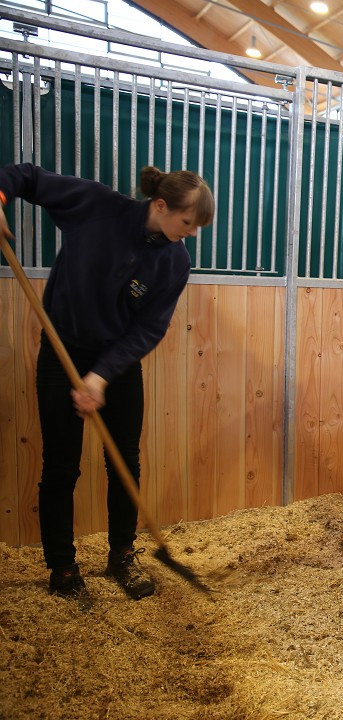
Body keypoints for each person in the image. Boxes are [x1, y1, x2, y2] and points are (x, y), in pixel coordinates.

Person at [0, 164, 214, 603]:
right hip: (63, 349)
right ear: (160, 206)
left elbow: (149, 328)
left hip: (115, 363)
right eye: (188, 223)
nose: (191, 234)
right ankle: (62, 567)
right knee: (61, 464)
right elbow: (23, 177)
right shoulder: (96, 205)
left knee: (124, 461)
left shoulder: (174, 261)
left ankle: (122, 554)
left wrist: (100, 376)